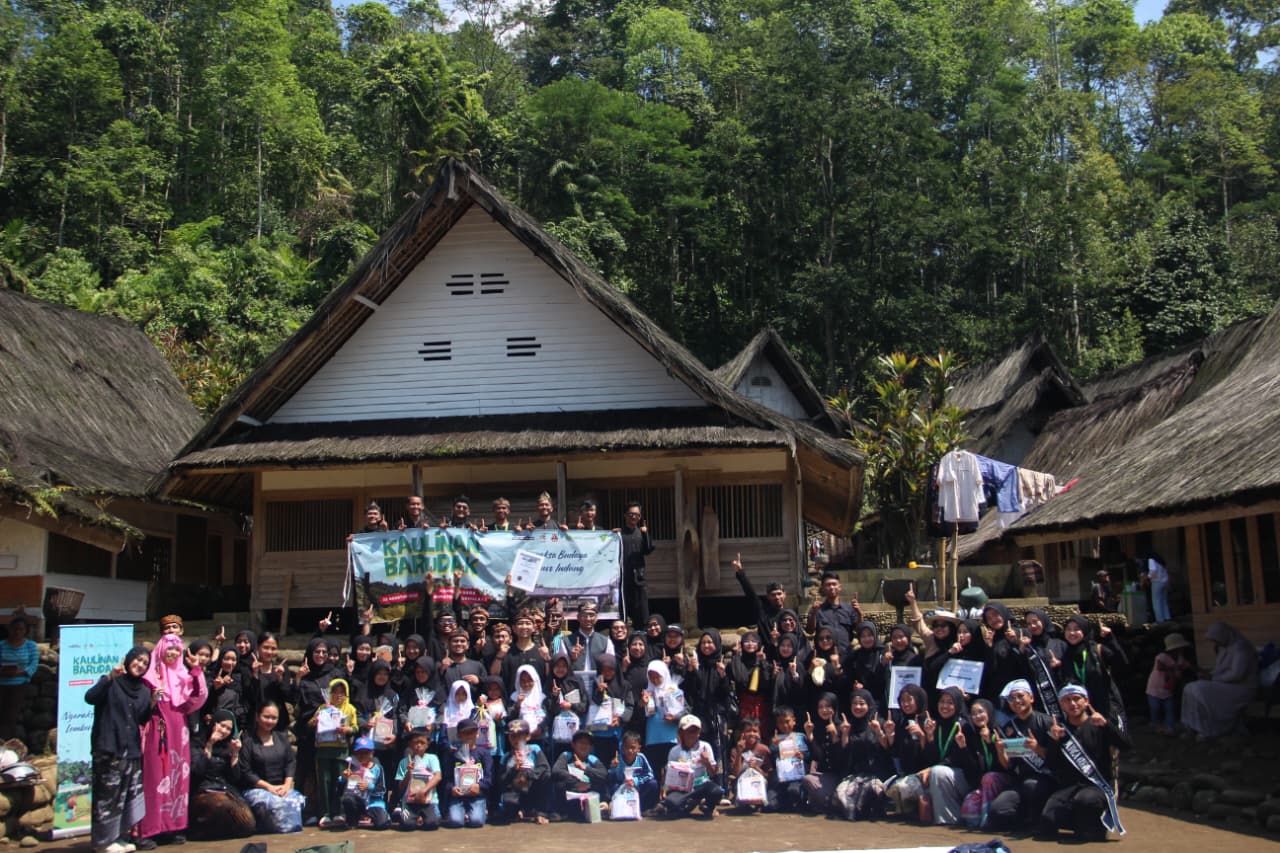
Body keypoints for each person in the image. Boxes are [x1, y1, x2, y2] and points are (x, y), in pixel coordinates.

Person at [138, 633, 209, 848]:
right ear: (160, 650)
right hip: (156, 729)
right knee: (155, 777)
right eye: (169, 648)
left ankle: (174, 827)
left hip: (179, 730)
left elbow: (197, 698)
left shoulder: (183, 675)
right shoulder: (149, 675)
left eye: (177, 650)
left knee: (178, 777)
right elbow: (139, 707)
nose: (173, 653)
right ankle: (150, 829)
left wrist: (196, 671)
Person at [1036, 684, 1131, 841]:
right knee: (1047, 821)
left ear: (1086, 701)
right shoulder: (1060, 730)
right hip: (1071, 786)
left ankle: (1095, 828)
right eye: (1067, 700)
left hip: (1098, 785)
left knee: (1085, 800)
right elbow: (1052, 764)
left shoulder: (1098, 725)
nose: (1073, 704)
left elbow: (1127, 746)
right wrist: (1054, 742)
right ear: (1062, 705)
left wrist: (1107, 725)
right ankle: (1080, 824)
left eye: (1076, 699)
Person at [86, 647, 155, 853]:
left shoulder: (143, 690)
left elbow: (141, 719)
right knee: (107, 796)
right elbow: (90, 697)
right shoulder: (111, 681)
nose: (140, 665)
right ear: (128, 659)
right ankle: (102, 842)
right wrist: (109, 677)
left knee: (125, 796)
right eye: (137, 660)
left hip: (131, 750)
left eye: (145, 663)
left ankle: (119, 837)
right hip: (108, 748)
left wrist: (152, 703)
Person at [1181, 621, 1258, 740]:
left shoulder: (1241, 648)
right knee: (1189, 688)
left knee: (1198, 688)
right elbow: (1219, 670)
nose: (1216, 642)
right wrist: (1207, 674)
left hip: (1241, 687)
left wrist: (1213, 678)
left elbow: (1237, 674)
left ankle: (1207, 729)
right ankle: (1192, 726)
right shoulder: (1223, 648)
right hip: (1224, 684)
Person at [188, 709, 256, 840]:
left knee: (248, 823)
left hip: (225, 790)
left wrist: (235, 754)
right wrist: (209, 745)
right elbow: (197, 771)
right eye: (222, 726)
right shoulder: (198, 743)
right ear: (214, 723)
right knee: (222, 806)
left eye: (229, 729)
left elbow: (235, 778)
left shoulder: (228, 747)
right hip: (203, 791)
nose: (224, 731)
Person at [240, 703, 306, 834]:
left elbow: (290, 762)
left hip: (281, 788)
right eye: (266, 717)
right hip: (257, 789)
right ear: (257, 717)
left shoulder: (282, 739)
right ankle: (273, 829)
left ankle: (292, 832)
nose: (270, 721)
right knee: (275, 803)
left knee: (297, 799)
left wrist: (287, 785)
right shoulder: (248, 742)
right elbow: (246, 771)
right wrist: (269, 787)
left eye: (274, 718)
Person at [651, 715, 722, 819]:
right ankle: (686, 805)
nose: (692, 734)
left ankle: (707, 806)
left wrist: (707, 762)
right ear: (681, 732)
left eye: (695, 731)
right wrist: (665, 789)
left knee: (716, 791)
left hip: (701, 784)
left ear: (699, 732)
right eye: (689, 731)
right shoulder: (675, 751)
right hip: (682, 788)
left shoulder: (705, 747)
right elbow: (668, 775)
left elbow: (713, 774)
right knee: (672, 802)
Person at [313, 677, 357, 828]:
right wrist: (314, 722)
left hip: (341, 752)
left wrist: (348, 730)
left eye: (342, 693)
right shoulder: (322, 708)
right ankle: (325, 814)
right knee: (324, 783)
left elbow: (355, 727)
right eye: (335, 692)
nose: (339, 695)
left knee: (340, 782)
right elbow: (311, 724)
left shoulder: (350, 709)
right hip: (323, 751)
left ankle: (338, 812)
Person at [496, 718, 551, 825]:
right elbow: (501, 781)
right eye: (513, 736)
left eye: (520, 736)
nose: (516, 739)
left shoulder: (534, 749)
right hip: (516, 791)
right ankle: (519, 811)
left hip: (533, 788)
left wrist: (528, 773)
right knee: (509, 805)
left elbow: (544, 767)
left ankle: (541, 813)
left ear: (527, 736)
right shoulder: (506, 757)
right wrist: (514, 770)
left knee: (547, 776)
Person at [444, 717, 493, 827]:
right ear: (458, 735)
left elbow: (489, 777)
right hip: (458, 796)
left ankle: (481, 809)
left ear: (477, 734)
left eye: (472, 732)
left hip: (477, 795)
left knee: (476, 821)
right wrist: (452, 788)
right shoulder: (453, 755)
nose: (469, 736)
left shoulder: (484, 753)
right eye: (465, 733)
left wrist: (479, 786)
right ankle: (463, 813)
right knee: (455, 821)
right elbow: (447, 778)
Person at [550, 729, 607, 821]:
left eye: (587, 743)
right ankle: (561, 812)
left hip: (588, 792)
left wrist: (585, 769)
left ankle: (602, 807)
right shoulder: (566, 756)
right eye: (581, 742)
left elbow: (604, 774)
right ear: (573, 744)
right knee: (558, 783)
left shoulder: (593, 759)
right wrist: (576, 783)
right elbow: (556, 771)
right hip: (571, 793)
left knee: (601, 782)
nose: (584, 746)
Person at [0, 613, 39, 738]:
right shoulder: (2, 645)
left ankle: (6, 742)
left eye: (21, 629)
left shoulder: (30, 646)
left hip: (19, 684)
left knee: (11, 715)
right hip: (2, 682)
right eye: (15, 629)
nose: (17, 632)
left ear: (25, 631)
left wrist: (19, 672)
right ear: (10, 629)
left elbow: (33, 665)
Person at [1146, 632, 1193, 736]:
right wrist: (1174, 670)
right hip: (1154, 689)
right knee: (1155, 708)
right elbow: (1160, 666)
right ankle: (1157, 725)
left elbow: (1186, 666)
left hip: (1168, 689)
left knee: (1169, 708)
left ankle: (1170, 727)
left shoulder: (1180, 658)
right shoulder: (1162, 657)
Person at [396, 728, 442, 831]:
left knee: (432, 823)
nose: (419, 745)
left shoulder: (432, 758)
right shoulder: (404, 762)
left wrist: (423, 791)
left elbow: (438, 777)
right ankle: (412, 816)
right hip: (410, 801)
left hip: (429, 800)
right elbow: (401, 787)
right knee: (406, 825)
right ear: (410, 744)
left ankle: (425, 816)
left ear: (427, 744)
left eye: (422, 742)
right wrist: (408, 773)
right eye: (415, 742)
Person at [616, 503, 654, 626]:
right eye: (630, 514)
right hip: (623, 580)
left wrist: (645, 534)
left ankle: (641, 635)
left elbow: (648, 550)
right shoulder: (619, 534)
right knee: (622, 614)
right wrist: (611, 535)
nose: (633, 517)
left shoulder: (642, 533)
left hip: (639, 579)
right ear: (625, 515)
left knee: (642, 614)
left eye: (636, 515)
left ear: (640, 517)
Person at [341, 737, 390, 830]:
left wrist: (369, 786)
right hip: (357, 800)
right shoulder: (351, 768)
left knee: (382, 824)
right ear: (355, 754)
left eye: (366, 753)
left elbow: (382, 790)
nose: (363, 755)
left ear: (372, 753)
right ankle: (352, 820)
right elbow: (341, 789)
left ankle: (379, 816)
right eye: (359, 753)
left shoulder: (378, 768)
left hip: (373, 802)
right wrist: (343, 778)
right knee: (347, 799)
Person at [732, 554, 786, 638]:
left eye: (779, 594)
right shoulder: (763, 614)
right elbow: (751, 593)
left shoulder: (789, 616)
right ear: (768, 597)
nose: (777, 597)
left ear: (784, 595)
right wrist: (740, 572)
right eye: (773, 595)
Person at [728, 716, 775, 812]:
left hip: (760, 784)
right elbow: (736, 773)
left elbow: (769, 775)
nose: (752, 734)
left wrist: (757, 768)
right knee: (742, 808)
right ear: (742, 733)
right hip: (742, 783)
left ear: (759, 733)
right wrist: (739, 752)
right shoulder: (735, 750)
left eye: (755, 731)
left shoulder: (764, 750)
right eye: (748, 731)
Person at [805, 571, 860, 650]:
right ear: (822, 588)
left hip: (845, 654)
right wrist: (813, 613)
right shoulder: (817, 609)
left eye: (834, 584)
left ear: (840, 587)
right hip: (824, 655)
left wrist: (859, 613)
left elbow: (859, 629)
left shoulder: (849, 609)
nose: (831, 587)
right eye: (828, 585)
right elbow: (810, 631)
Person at [770, 706, 810, 812]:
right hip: (781, 777)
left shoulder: (800, 737)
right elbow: (772, 758)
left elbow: (808, 755)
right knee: (770, 804)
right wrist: (774, 746)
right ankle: (784, 802)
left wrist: (802, 756)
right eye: (780, 722)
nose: (784, 725)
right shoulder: (775, 739)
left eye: (787, 721)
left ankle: (799, 801)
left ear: (794, 721)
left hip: (796, 776)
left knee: (794, 791)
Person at [608, 730, 659, 810]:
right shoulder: (618, 760)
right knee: (613, 787)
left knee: (653, 784)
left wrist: (636, 781)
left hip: (638, 786)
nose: (630, 750)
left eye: (633, 747)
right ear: (622, 747)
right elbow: (612, 778)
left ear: (638, 748)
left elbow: (649, 774)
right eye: (627, 747)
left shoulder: (641, 758)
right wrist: (613, 768)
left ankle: (642, 807)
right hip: (623, 787)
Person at [1143, 551, 1172, 623]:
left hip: (1157, 582)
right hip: (1165, 581)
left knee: (1156, 602)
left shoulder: (1151, 560)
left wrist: (1148, 577)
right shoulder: (1160, 561)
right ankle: (1167, 617)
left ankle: (1160, 620)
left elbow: (1153, 570)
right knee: (1164, 601)